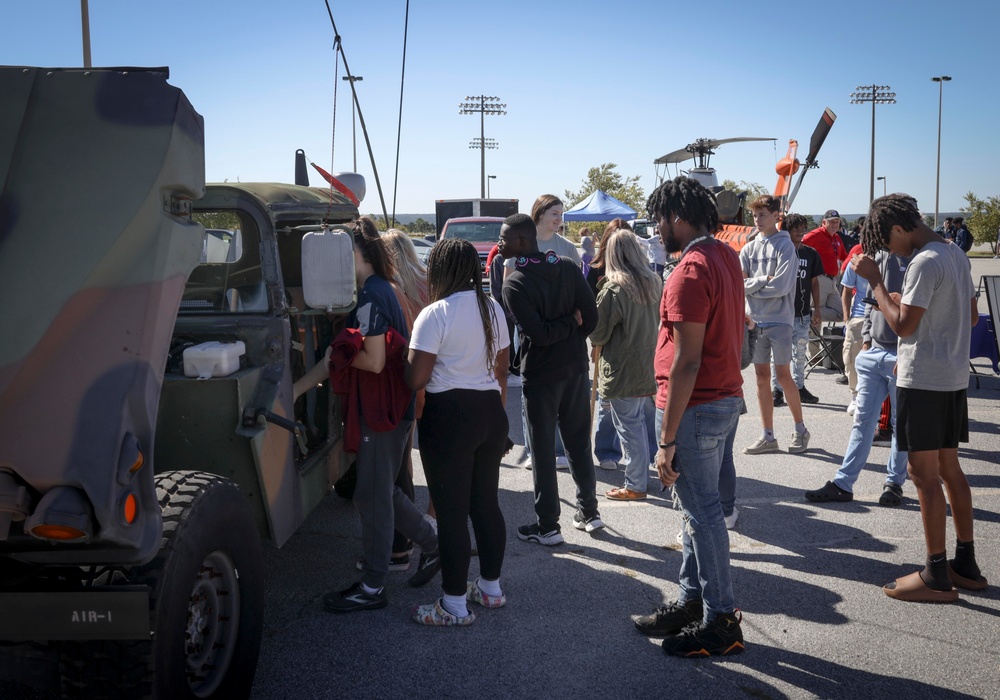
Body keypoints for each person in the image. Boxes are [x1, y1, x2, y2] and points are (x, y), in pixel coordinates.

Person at [852, 193, 986, 602]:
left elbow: (904, 328)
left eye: (886, 241)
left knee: (922, 476)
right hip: (950, 376)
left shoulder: (923, 261)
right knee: (949, 469)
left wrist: (876, 281)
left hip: (923, 380)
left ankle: (935, 575)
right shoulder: (953, 253)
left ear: (898, 229)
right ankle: (965, 564)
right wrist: (902, 307)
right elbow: (972, 316)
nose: (888, 250)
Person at [633, 176, 746, 657]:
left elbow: (687, 361)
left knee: (702, 516)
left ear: (676, 217)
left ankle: (721, 619)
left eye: (660, 219)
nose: (657, 229)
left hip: (697, 408)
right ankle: (692, 601)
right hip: (721, 401)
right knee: (695, 512)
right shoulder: (725, 256)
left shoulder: (690, 269)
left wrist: (665, 439)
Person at [323, 218, 440, 615]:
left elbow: (372, 362)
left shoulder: (371, 294)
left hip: (382, 407)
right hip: (394, 405)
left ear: (354, 254)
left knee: (372, 495)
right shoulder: (384, 286)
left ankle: (373, 586)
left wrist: (338, 355)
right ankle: (433, 544)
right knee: (380, 490)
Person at [404, 239, 511, 626]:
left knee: (451, 514)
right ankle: (490, 589)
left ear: (440, 269)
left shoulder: (435, 313)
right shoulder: (493, 308)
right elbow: (501, 370)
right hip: (489, 414)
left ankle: (452, 605)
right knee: (485, 505)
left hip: (449, 417)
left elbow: (416, 377)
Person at [500, 213, 603, 544]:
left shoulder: (514, 283)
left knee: (542, 450)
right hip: (574, 368)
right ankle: (589, 512)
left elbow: (541, 336)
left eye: (504, 238)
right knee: (577, 442)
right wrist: (573, 328)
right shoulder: (569, 269)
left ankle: (548, 526)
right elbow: (590, 319)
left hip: (542, 375)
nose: (500, 244)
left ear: (522, 242)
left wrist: (564, 328)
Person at [805, 249, 911, 507]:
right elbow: (867, 300)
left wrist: (906, 351)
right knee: (862, 422)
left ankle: (894, 484)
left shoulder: (917, 258)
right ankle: (843, 484)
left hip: (899, 354)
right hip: (874, 351)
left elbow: (918, 311)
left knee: (900, 425)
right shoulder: (878, 256)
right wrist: (866, 339)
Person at [588, 229, 661, 500]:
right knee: (643, 424)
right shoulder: (654, 281)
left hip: (622, 368)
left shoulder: (614, 289)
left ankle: (636, 483)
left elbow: (598, 333)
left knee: (630, 429)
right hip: (649, 363)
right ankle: (646, 476)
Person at [506, 195, 575, 470]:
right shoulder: (521, 242)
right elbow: (508, 285)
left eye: (561, 214)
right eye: (555, 213)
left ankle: (557, 450)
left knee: (558, 388)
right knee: (530, 391)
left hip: (558, 329)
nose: (560, 219)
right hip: (526, 327)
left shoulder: (567, 247)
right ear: (540, 214)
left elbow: (575, 289)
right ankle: (534, 449)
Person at [740, 195, 810, 455]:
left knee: (783, 376)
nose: (757, 220)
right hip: (755, 322)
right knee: (760, 379)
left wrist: (752, 286)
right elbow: (739, 284)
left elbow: (782, 286)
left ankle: (800, 430)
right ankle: (768, 436)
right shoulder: (748, 248)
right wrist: (761, 281)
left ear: (775, 216)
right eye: (755, 215)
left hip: (780, 321)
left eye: (762, 215)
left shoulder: (785, 246)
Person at [770, 213, 822, 407]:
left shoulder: (810, 253)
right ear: (786, 230)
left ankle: (799, 387)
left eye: (803, 228)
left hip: (802, 314)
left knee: (800, 353)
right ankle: (777, 390)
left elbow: (815, 282)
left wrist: (817, 309)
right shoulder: (779, 251)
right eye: (796, 228)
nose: (800, 232)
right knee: (779, 355)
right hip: (781, 314)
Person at [802, 209, 848, 322]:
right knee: (817, 314)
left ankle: (808, 311)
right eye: (831, 221)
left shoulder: (836, 238)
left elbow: (844, 257)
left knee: (842, 313)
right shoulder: (815, 235)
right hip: (820, 279)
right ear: (824, 222)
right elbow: (799, 245)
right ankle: (812, 335)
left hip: (833, 280)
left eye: (837, 222)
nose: (835, 224)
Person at [839, 243, 868, 415]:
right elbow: (847, 291)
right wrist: (846, 318)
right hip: (858, 316)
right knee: (851, 358)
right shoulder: (855, 261)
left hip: (883, 315)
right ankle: (855, 396)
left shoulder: (890, 258)